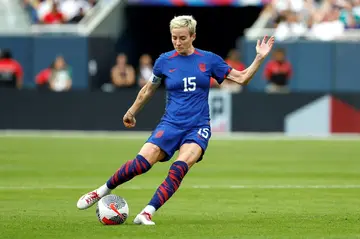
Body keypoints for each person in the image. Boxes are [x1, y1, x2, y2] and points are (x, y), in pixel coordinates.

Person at [76, 15, 275, 225]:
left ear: (193, 36)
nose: (177, 43)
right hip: (170, 124)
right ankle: (100, 191)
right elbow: (148, 90)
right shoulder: (164, 60)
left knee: (178, 168)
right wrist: (132, 111)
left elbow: (242, 78)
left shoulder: (209, 60)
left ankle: (147, 212)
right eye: (174, 38)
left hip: (197, 127)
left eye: (182, 38)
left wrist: (260, 58)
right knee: (141, 164)